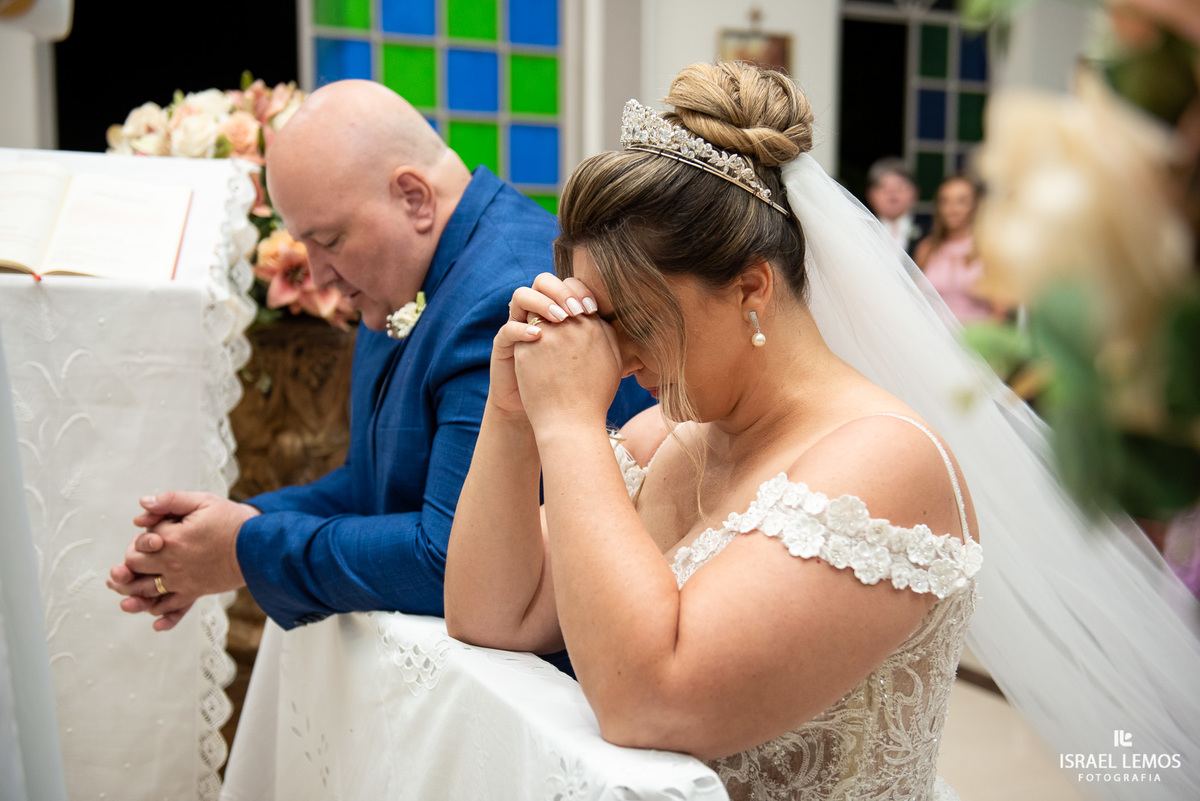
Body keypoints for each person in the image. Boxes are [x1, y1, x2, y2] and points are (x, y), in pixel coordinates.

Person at [446, 61, 1200, 801]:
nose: (616, 353)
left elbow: (649, 702)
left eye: (634, 320)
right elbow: (491, 612)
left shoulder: (884, 460)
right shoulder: (665, 440)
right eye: (599, 321)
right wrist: (511, 413)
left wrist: (574, 424)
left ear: (750, 288)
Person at [105, 79, 653, 633]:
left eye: (330, 240)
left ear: (414, 197)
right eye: (304, 246)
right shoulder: (405, 278)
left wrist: (244, 550)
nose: (317, 275)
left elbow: (450, 561)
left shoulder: (507, 298)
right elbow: (378, 485)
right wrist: (241, 523)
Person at [913, 173, 1000, 323]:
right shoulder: (926, 248)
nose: (952, 209)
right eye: (945, 201)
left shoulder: (989, 248)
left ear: (976, 204)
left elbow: (1000, 311)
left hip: (975, 340)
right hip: (932, 338)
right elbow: (914, 300)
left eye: (962, 201)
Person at [866, 157, 921, 255]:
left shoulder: (931, 231)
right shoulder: (863, 230)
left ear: (914, 192)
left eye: (900, 188)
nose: (892, 195)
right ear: (870, 195)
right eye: (884, 188)